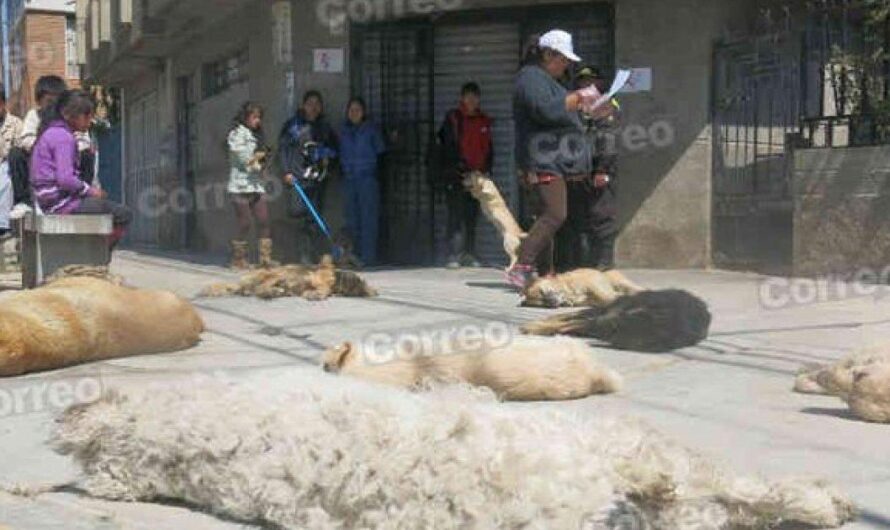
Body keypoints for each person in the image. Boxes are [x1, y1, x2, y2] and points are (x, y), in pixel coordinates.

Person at [508, 29, 612, 289]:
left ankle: (545, 275)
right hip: (540, 159)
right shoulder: (530, 78)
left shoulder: (550, 81)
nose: (566, 64)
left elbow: (565, 115)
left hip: (556, 159)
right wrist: (576, 98)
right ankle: (521, 266)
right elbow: (544, 109)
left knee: (547, 215)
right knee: (555, 214)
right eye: (562, 58)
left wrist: (590, 109)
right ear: (547, 54)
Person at [30, 90, 132, 252]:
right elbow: (65, 179)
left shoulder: (51, 133)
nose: (89, 122)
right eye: (87, 116)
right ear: (72, 115)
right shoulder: (63, 137)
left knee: (101, 205)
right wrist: (91, 191)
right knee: (123, 214)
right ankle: (98, 256)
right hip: (61, 204)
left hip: (49, 201)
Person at [557, 66, 621, 271]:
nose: (586, 85)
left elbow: (608, 139)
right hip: (576, 172)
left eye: (591, 82)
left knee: (601, 217)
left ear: (600, 84)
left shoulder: (605, 105)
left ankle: (603, 264)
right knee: (575, 219)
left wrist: (602, 169)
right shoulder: (576, 107)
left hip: (597, 171)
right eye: (582, 82)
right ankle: (577, 265)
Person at [437, 82, 493, 269]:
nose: (471, 100)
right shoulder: (453, 118)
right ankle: (452, 254)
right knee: (455, 215)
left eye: (475, 97)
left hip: (477, 177)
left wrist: (486, 170)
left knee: (472, 216)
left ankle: (469, 253)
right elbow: (446, 146)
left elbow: (488, 148)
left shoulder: (484, 120)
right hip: (457, 176)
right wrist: (457, 168)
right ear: (462, 98)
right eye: (468, 96)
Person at [279, 90, 338, 264]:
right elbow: (282, 150)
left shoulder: (325, 128)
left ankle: (311, 256)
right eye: (310, 103)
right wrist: (286, 171)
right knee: (298, 214)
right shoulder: (293, 126)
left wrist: (328, 158)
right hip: (297, 179)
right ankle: (298, 253)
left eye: (317, 104)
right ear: (303, 105)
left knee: (314, 218)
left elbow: (335, 150)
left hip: (318, 180)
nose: (313, 107)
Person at [227, 101, 276, 269]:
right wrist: (259, 162)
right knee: (245, 222)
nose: (257, 121)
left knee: (264, 220)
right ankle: (238, 259)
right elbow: (244, 160)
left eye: (259, 117)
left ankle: (265, 260)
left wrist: (265, 159)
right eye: (254, 117)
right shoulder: (236, 134)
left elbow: (258, 159)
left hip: (255, 185)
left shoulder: (258, 135)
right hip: (240, 186)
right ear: (245, 117)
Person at [338, 97, 386, 267]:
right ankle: (353, 255)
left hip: (367, 179)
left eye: (358, 110)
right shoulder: (343, 131)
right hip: (349, 179)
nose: (354, 113)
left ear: (363, 112)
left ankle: (368, 258)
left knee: (368, 219)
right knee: (351, 220)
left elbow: (381, 153)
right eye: (351, 110)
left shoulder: (371, 130)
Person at [9, 75, 67, 209]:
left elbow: (82, 141)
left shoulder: (69, 115)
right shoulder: (34, 115)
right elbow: (26, 139)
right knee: (15, 154)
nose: (52, 105)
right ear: (39, 101)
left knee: (87, 155)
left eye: (56, 100)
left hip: (63, 160)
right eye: (48, 100)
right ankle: (23, 202)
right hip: (38, 159)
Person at [0, 85, 23, 239]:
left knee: (5, 180)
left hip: (8, 172)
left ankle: (3, 226)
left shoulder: (16, 124)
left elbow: (19, 155)